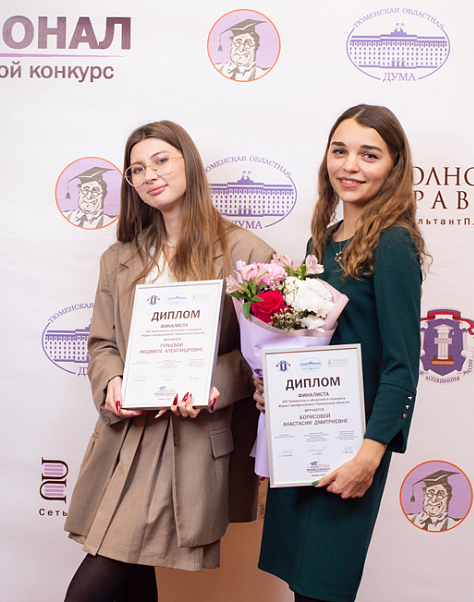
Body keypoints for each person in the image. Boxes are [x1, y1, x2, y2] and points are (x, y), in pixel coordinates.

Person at [63, 120, 273, 602]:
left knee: (92, 589)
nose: (150, 174)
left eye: (161, 160)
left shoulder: (245, 253)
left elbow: (267, 356)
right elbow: (102, 344)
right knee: (131, 576)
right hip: (125, 436)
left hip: (190, 439)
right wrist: (112, 382)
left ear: (189, 163)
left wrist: (212, 384)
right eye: (137, 169)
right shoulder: (118, 258)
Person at [257, 104, 429, 602]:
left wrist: (369, 458)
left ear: (394, 167)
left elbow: (401, 366)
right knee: (303, 588)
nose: (350, 165)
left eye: (369, 155)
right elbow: (311, 341)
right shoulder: (322, 239)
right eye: (340, 151)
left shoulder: (393, 243)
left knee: (323, 589)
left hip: (351, 450)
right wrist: (275, 388)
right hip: (305, 440)